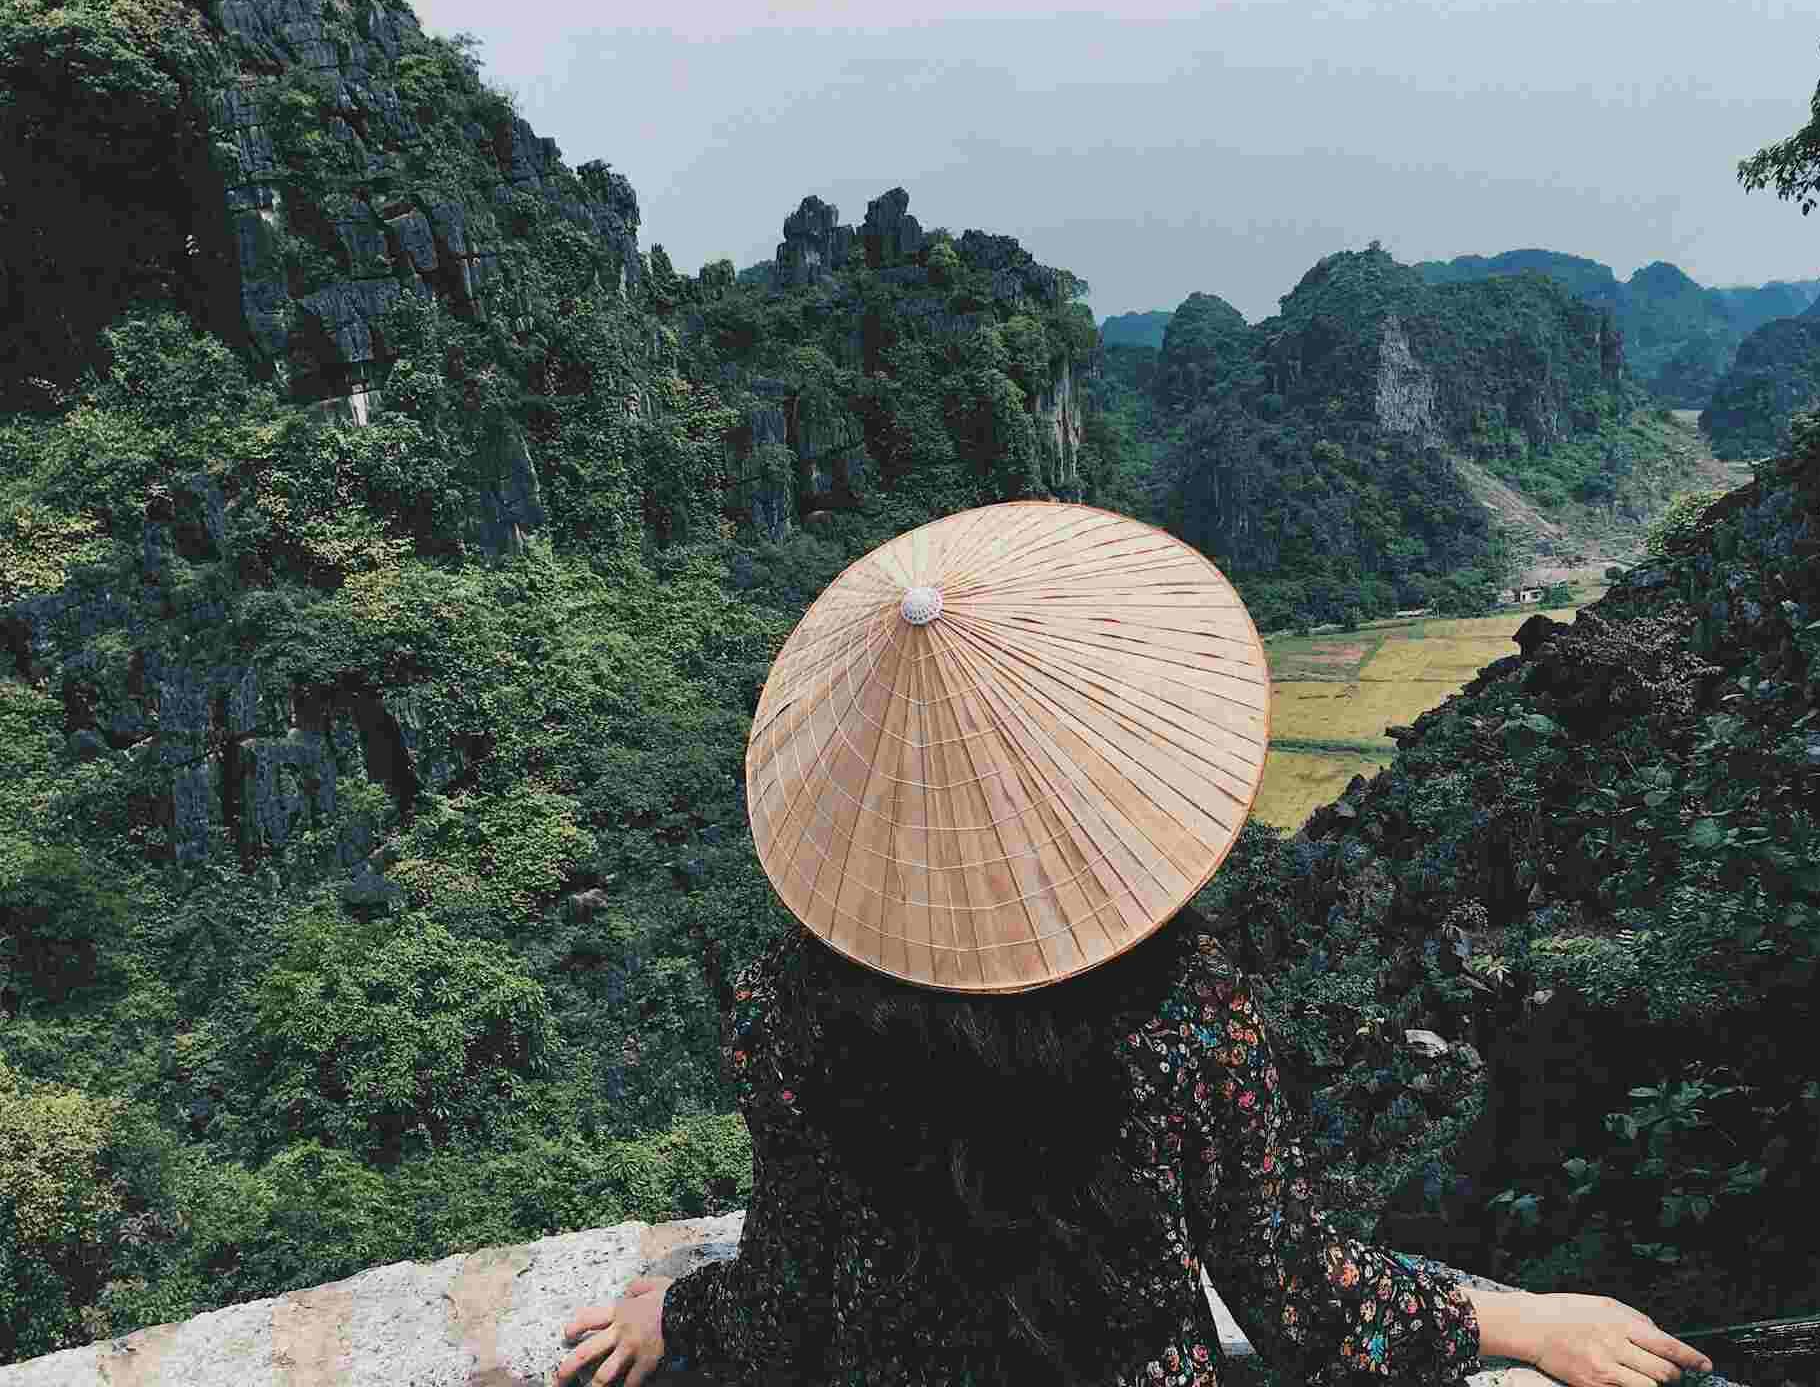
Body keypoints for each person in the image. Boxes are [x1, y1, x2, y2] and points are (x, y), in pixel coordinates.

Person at [548, 502, 1717, 1387]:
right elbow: (1297, 1301)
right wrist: (1516, 1320)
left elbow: (788, 1296)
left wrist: (679, 1316)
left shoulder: (781, 1010)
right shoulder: (1187, 1009)